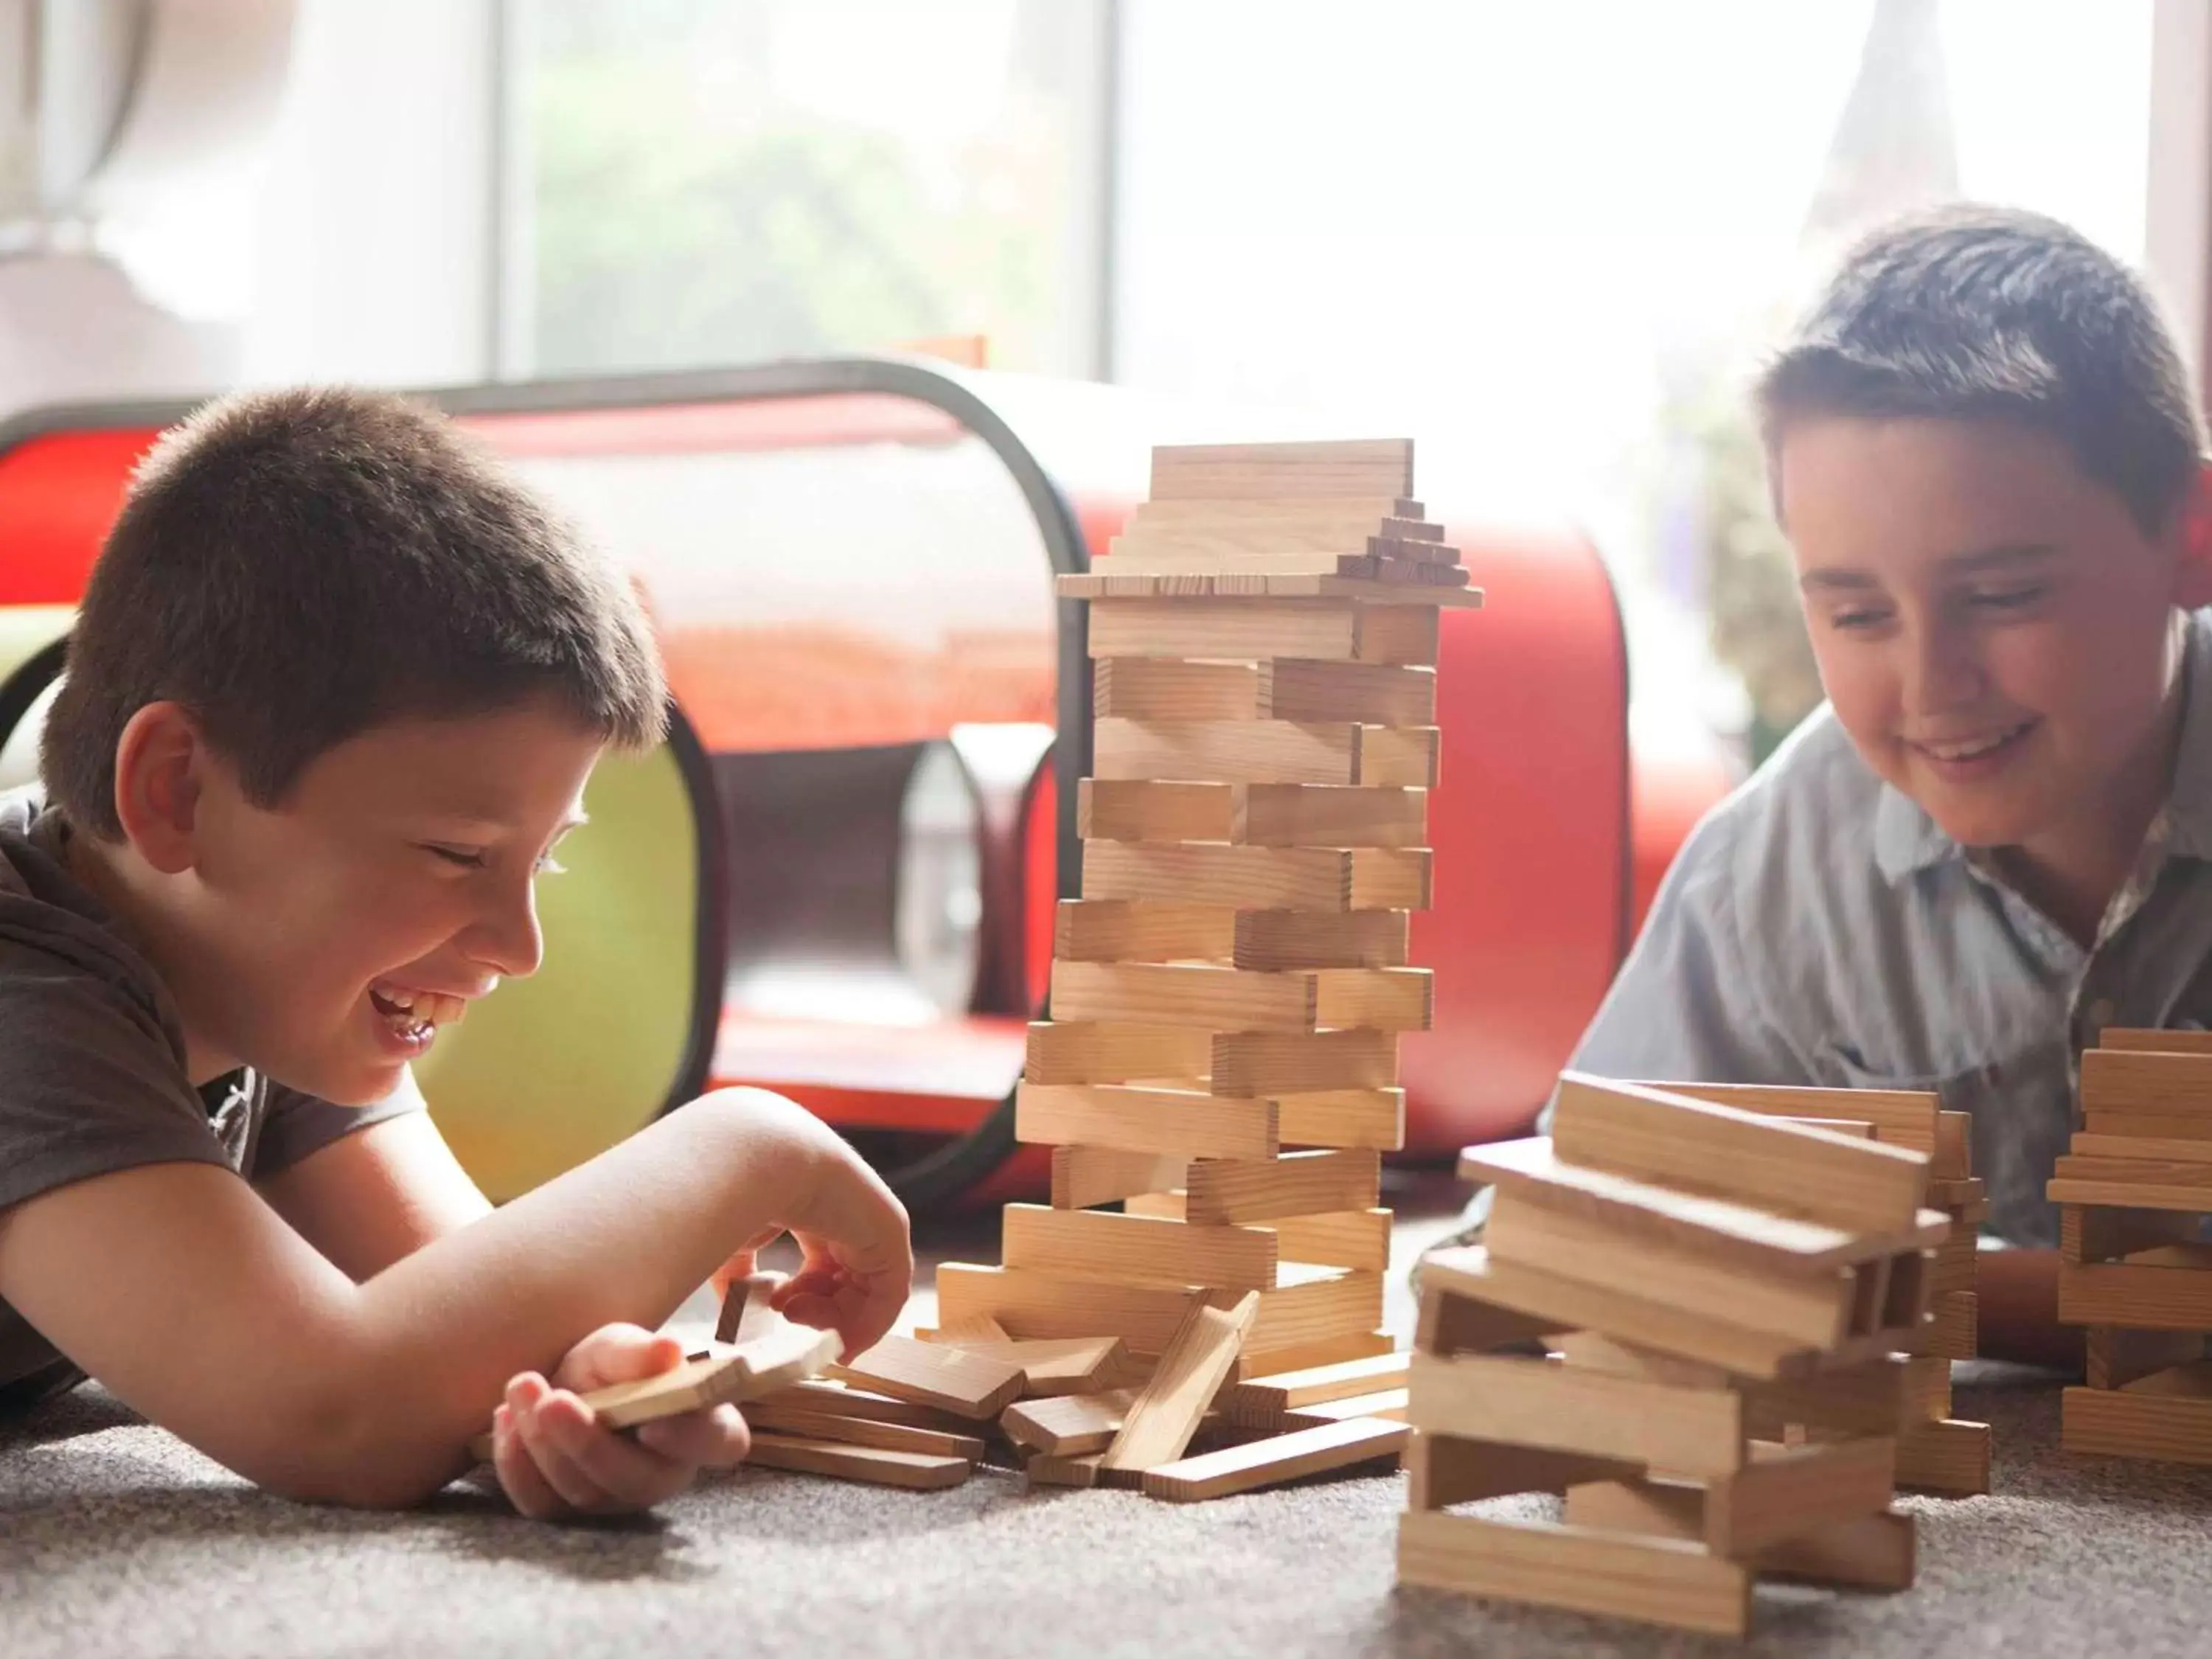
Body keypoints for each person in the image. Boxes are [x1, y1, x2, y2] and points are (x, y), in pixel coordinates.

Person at [0, 387, 912, 1517]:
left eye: (543, 861)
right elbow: (334, 1411)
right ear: (178, 790)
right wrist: (753, 1144)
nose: (518, 947)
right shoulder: (22, 988)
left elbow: (454, 1312)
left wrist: (579, 1390)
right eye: (453, 852)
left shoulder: (258, 980)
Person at [1437, 204, 2212, 1368]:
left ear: (2192, 540)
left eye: (2002, 597)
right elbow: (1539, 1240)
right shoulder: (1773, 872)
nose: (1932, 683)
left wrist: (1903, 1282)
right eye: (1856, 614)